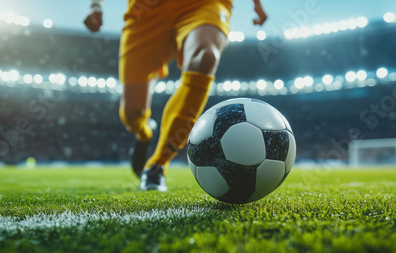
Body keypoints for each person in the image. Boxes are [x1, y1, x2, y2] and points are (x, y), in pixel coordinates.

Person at [84, 0, 268, 191]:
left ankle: (158, 164)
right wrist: (95, 5)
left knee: (205, 57)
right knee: (132, 112)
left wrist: (258, 4)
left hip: (203, 4)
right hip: (146, 10)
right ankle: (144, 132)